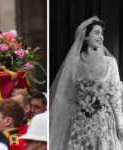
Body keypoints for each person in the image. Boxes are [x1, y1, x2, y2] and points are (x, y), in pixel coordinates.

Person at [50, 16, 123, 150]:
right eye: (96, 32)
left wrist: (120, 124)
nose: (101, 36)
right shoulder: (73, 63)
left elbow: (116, 96)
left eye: (102, 33)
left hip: (104, 123)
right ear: (85, 36)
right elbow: (64, 96)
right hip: (80, 123)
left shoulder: (110, 63)